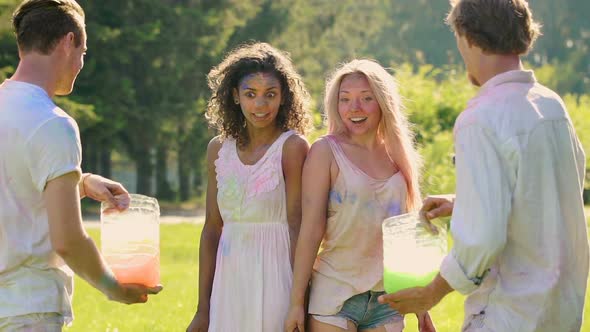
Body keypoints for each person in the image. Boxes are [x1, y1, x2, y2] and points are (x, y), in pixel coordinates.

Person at [378, 1, 589, 331]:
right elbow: (545, 198)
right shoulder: (551, 106)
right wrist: (465, 204)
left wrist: (431, 293)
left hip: (507, 313)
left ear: (469, 39)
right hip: (561, 313)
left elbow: (483, 238)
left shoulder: (480, 118)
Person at [0, 0, 162, 330]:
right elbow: (68, 241)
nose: (80, 64)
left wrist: (82, 182)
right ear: (68, 41)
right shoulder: (53, 123)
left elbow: (15, 184)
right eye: (83, 52)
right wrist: (114, 288)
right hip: (28, 311)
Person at [285, 59, 435, 332]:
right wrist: (296, 302)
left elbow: (406, 237)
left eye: (366, 98)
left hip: (387, 300)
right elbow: (311, 229)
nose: (354, 108)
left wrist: (420, 303)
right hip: (335, 294)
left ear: (383, 102)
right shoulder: (325, 152)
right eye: (345, 99)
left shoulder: (398, 157)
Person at [186, 42, 312, 332]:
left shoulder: (292, 148)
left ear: (284, 98)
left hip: (277, 277)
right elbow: (211, 229)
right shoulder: (218, 149)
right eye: (250, 94)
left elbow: (298, 226)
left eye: (270, 94)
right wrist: (202, 309)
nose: (260, 105)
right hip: (228, 281)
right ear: (235, 96)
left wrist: (300, 300)